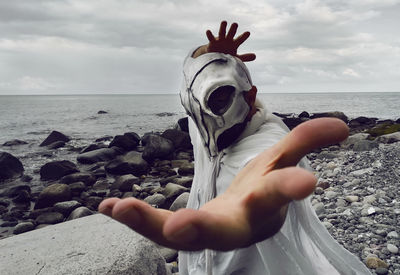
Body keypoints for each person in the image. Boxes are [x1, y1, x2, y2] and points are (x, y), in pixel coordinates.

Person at [99, 21, 371, 274]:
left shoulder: (270, 141)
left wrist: (260, 212)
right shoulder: (206, 124)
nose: (207, 115)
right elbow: (189, 68)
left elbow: (266, 169)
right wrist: (208, 52)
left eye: (219, 99)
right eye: (196, 107)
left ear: (250, 96)